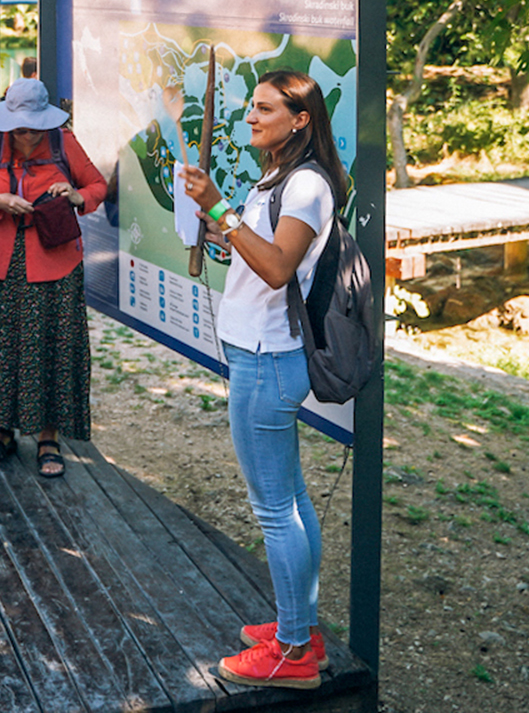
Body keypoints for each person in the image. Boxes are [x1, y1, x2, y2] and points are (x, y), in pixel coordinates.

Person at [178, 69, 342, 691]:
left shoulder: (306, 185)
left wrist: (217, 205)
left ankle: (294, 652)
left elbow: (277, 269)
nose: (250, 117)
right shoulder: (279, 175)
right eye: (249, 107)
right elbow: (260, 255)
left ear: (300, 119)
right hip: (258, 351)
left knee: (275, 510)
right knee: (292, 500)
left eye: (264, 109)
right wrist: (224, 234)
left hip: (271, 358)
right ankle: (299, 628)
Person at [0, 79, 105, 478]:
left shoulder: (63, 142)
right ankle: (2, 430)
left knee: (51, 347)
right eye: (18, 127)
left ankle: (48, 436)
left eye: (32, 127)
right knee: (3, 345)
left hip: (57, 263)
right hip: (3, 263)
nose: (24, 134)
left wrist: (76, 195)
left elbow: (96, 185)